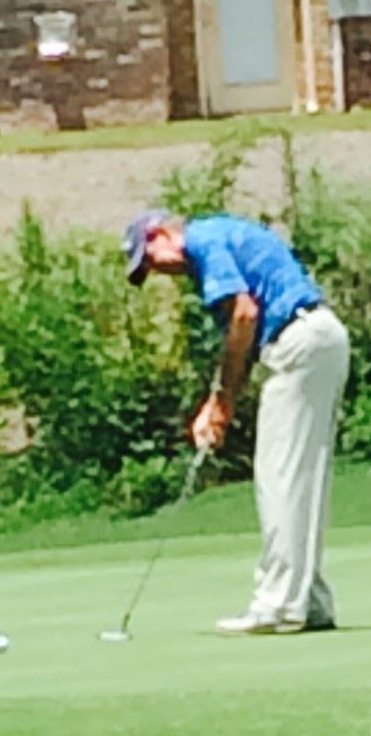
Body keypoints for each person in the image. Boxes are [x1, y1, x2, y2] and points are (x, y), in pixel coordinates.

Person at [123, 208, 350, 634]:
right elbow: (245, 323)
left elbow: (243, 315)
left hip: (299, 341)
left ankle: (277, 604)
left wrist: (221, 400)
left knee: (279, 476)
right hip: (320, 337)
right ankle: (310, 600)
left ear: (160, 233)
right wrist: (222, 401)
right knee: (301, 479)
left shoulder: (203, 242)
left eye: (150, 258)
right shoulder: (218, 234)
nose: (157, 271)